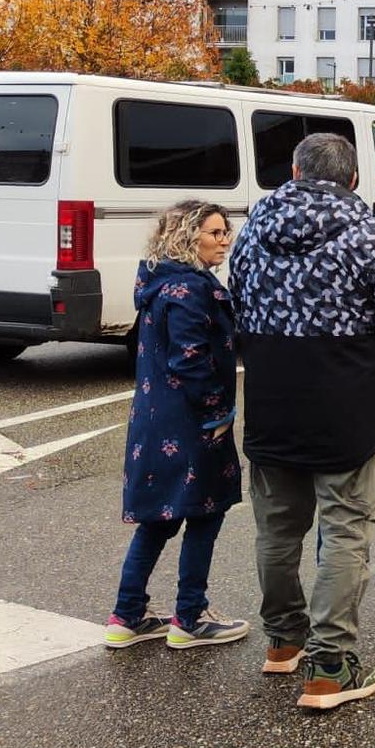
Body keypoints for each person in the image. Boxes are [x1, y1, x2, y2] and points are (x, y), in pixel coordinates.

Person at [233, 133, 375, 711]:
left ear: (293, 169)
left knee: (277, 526)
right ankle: (330, 664)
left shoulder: (251, 231)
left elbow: (237, 306)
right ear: (352, 179)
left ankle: (283, 638)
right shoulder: (369, 233)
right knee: (344, 526)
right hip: (346, 390)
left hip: (270, 388)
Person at [105, 201, 246, 651]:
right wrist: (216, 413)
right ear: (188, 237)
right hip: (190, 424)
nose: (224, 240)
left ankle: (127, 615)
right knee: (205, 513)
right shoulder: (189, 290)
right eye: (214, 232)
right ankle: (190, 616)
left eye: (225, 232)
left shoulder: (158, 282)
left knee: (158, 519)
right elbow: (189, 358)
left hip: (155, 420)